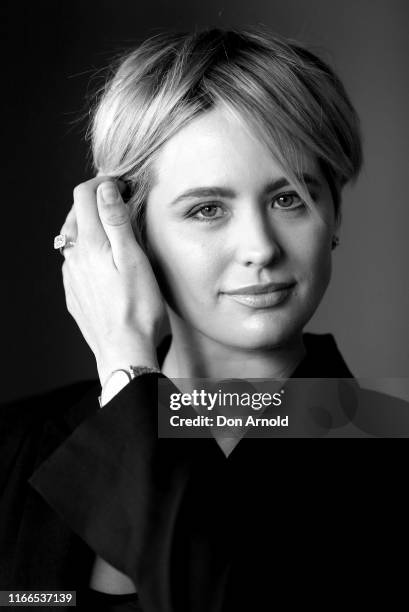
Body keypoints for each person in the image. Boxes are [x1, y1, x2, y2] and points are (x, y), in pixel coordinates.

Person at [1, 26, 409, 612]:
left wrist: (126, 370)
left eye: (289, 197)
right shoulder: (15, 444)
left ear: (334, 213)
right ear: (131, 232)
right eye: (208, 209)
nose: (260, 247)